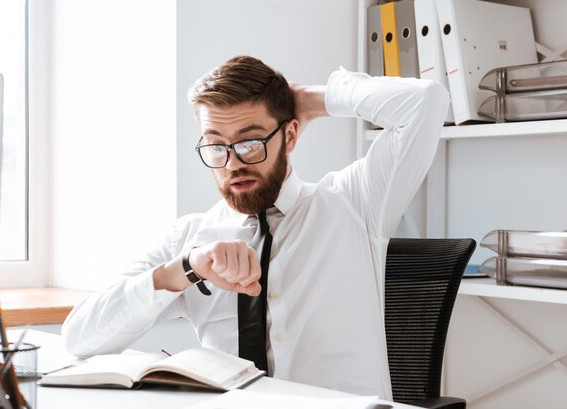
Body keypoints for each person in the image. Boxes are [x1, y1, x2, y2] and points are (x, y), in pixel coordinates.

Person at [62, 55, 449, 399]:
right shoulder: (190, 239)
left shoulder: (356, 202)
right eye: (216, 146)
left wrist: (313, 99)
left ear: (291, 135)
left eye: (249, 143)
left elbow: (426, 102)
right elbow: (80, 338)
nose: (232, 164)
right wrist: (184, 270)